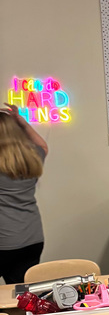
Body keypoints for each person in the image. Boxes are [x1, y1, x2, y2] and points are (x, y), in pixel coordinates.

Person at [0, 105, 49, 283]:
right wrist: (23, 123)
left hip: (3, 242)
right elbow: (43, 145)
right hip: (31, 240)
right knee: (23, 297)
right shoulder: (33, 156)